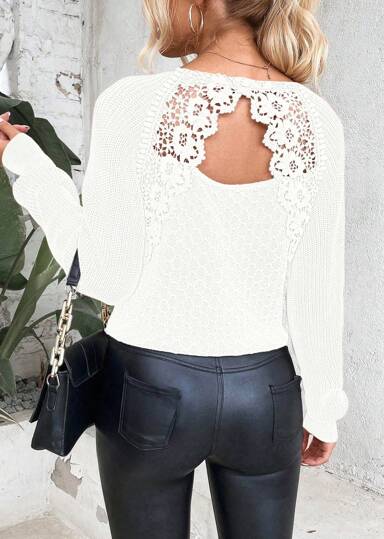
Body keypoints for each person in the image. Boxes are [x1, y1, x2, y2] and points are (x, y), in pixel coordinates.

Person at [0, 0, 349, 537]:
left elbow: (103, 274)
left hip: (150, 390)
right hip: (265, 394)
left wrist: (28, 164)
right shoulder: (317, 120)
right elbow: (318, 286)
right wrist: (323, 406)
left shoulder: (134, 104)